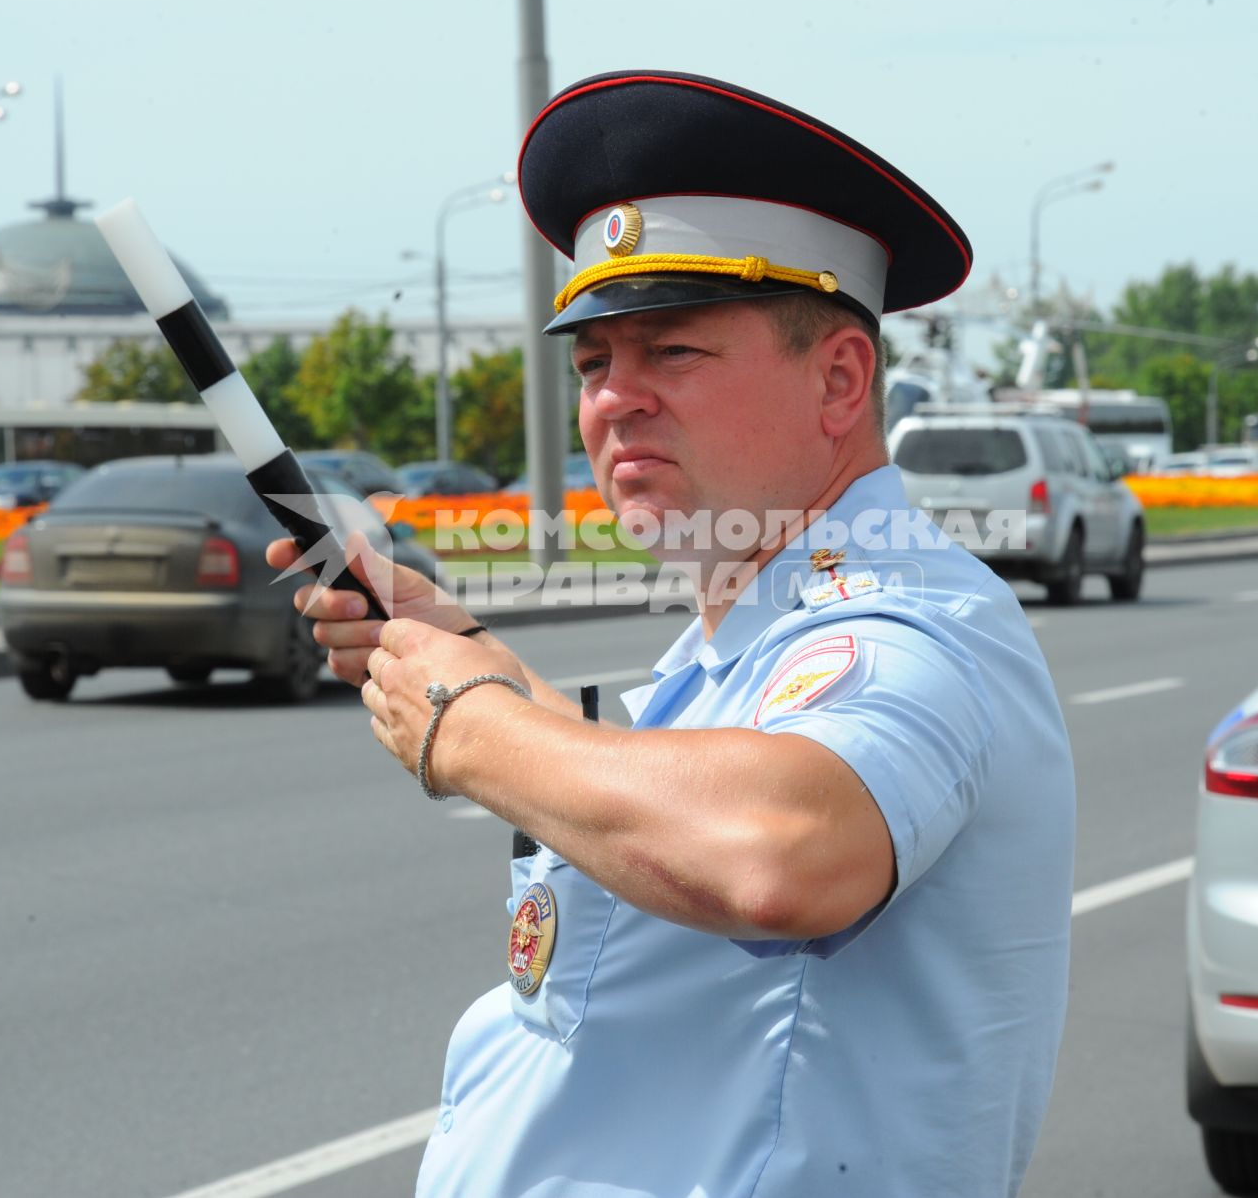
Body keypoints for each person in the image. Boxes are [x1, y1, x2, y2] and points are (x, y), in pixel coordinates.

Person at [269, 70, 1075, 1198]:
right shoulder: (750, 640)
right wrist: (494, 671)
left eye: (674, 352)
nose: (614, 398)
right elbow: (681, 803)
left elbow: (777, 850)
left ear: (841, 378)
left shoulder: (906, 618)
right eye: (595, 361)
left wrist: (466, 719)